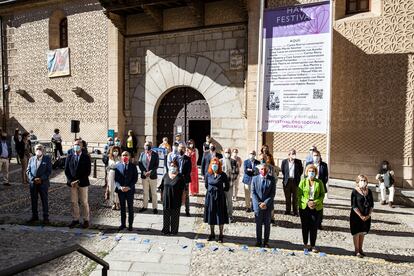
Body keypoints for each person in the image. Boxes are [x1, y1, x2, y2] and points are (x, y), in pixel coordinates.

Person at [297, 164, 325, 253]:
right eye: (309, 171)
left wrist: (315, 202)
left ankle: (313, 245)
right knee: (305, 226)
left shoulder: (319, 182)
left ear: (315, 172)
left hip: (316, 207)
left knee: (314, 226)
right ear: (306, 172)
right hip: (305, 207)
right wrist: (307, 202)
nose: (311, 173)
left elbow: (322, 195)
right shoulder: (303, 181)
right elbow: (299, 195)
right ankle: (305, 243)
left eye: (313, 171)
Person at [65, 139, 92, 228]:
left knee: (84, 202)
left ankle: (86, 220)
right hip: (72, 184)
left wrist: (78, 181)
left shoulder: (86, 157)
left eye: (78, 145)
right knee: (74, 202)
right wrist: (71, 181)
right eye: (75, 144)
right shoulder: (69, 156)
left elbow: (88, 171)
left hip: (83, 183)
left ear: (82, 146)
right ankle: (75, 219)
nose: (76, 146)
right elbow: (66, 171)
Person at [204, 157, 229, 243]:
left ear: (219, 165)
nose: (215, 166)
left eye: (216, 164)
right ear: (211, 165)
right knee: (211, 214)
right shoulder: (208, 174)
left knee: (220, 214)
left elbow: (227, 186)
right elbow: (206, 185)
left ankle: (221, 234)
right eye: (213, 164)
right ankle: (212, 233)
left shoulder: (223, 175)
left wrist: (220, 191)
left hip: (220, 197)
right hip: (210, 197)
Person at [26, 144, 52, 224]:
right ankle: (34, 216)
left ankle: (46, 217)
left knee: (44, 200)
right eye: (37, 148)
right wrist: (33, 179)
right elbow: (28, 170)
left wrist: (41, 179)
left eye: (40, 148)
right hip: (33, 183)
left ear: (43, 150)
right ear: (34, 150)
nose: (38, 150)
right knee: (34, 200)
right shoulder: (31, 159)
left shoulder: (47, 159)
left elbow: (49, 171)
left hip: (43, 183)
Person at [251, 163, 276, 247]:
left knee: (267, 224)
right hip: (257, 205)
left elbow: (272, 194)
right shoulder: (254, 179)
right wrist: (259, 203)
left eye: (265, 169)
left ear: (268, 170)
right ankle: (258, 241)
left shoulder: (272, 179)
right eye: (262, 169)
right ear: (259, 170)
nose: (263, 171)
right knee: (258, 224)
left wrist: (265, 203)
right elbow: (253, 193)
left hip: (268, 205)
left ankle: (266, 242)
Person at [159, 160, 186, 235]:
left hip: (176, 199)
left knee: (175, 216)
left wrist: (183, 200)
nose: (172, 167)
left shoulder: (180, 177)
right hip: (166, 199)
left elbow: (184, 190)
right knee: (166, 215)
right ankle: (165, 230)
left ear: (177, 167)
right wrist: (161, 197)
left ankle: (174, 231)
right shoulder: (165, 175)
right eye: (171, 166)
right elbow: (162, 187)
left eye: (174, 166)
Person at [350, 175, 374, 258]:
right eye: (361, 180)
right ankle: (356, 250)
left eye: (364, 180)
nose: (363, 182)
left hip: (366, 215)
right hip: (356, 216)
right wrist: (360, 215)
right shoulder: (354, 191)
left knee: (362, 232)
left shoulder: (369, 191)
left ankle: (361, 249)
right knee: (356, 232)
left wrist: (369, 215)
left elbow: (371, 204)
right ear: (357, 182)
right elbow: (353, 205)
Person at [305, 149, 329, 229]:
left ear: (320, 156)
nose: (316, 157)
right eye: (314, 155)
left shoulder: (324, 165)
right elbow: (305, 176)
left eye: (317, 155)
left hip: (319, 189)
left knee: (319, 207)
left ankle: (319, 223)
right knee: (309, 205)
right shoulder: (308, 164)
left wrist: (320, 185)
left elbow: (326, 177)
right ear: (312, 156)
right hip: (310, 188)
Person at [115, 151, 138, 231]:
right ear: (121, 157)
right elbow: (116, 179)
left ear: (129, 156)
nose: (125, 156)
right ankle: (123, 224)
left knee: (130, 208)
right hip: (121, 190)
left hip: (129, 190)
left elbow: (135, 179)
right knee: (122, 208)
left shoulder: (133, 166)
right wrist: (120, 187)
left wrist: (129, 187)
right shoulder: (118, 166)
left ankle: (130, 224)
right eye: (123, 155)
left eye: (126, 155)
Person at [138, 141, 159, 214]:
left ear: (151, 146)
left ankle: (155, 208)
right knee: (145, 192)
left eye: (149, 145)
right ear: (144, 146)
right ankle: (145, 206)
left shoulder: (155, 154)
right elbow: (140, 163)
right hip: (144, 176)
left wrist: (150, 172)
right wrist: (144, 172)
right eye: (146, 145)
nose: (147, 146)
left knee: (154, 193)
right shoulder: (142, 154)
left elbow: (156, 165)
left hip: (152, 176)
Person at [281, 149, 303, 216]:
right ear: (289, 155)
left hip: (295, 181)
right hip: (287, 181)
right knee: (287, 197)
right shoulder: (284, 162)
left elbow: (301, 171)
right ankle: (288, 211)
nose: (293, 155)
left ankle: (295, 211)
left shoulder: (298, 162)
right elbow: (283, 171)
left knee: (295, 198)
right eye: (292, 153)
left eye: (294, 153)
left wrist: (296, 177)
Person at [177, 143, 192, 216]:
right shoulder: (175, 158)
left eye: (183, 147)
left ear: (185, 149)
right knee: (177, 195)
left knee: (186, 196)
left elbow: (189, 170)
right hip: (176, 180)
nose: (181, 149)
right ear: (178, 148)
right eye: (180, 147)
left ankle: (187, 210)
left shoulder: (188, 159)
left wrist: (182, 178)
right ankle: (177, 210)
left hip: (185, 180)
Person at [106, 146, 121, 210]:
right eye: (114, 151)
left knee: (117, 188)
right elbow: (107, 168)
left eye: (116, 151)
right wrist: (107, 176)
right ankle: (113, 203)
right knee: (111, 189)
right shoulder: (109, 158)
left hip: (118, 173)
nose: (115, 152)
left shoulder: (120, 158)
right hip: (111, 173)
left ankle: (117, 203)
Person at [221, 148, 234, 221]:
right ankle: (222, 214)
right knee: (222, 200)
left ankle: (230, 215)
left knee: (229, 201)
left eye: (228, 152)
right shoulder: (220, 161)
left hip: (230, 184)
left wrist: (231, 179)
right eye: (226, 152)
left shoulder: (233, 162)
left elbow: (236, 172)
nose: (227, 153)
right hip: (221, 185)